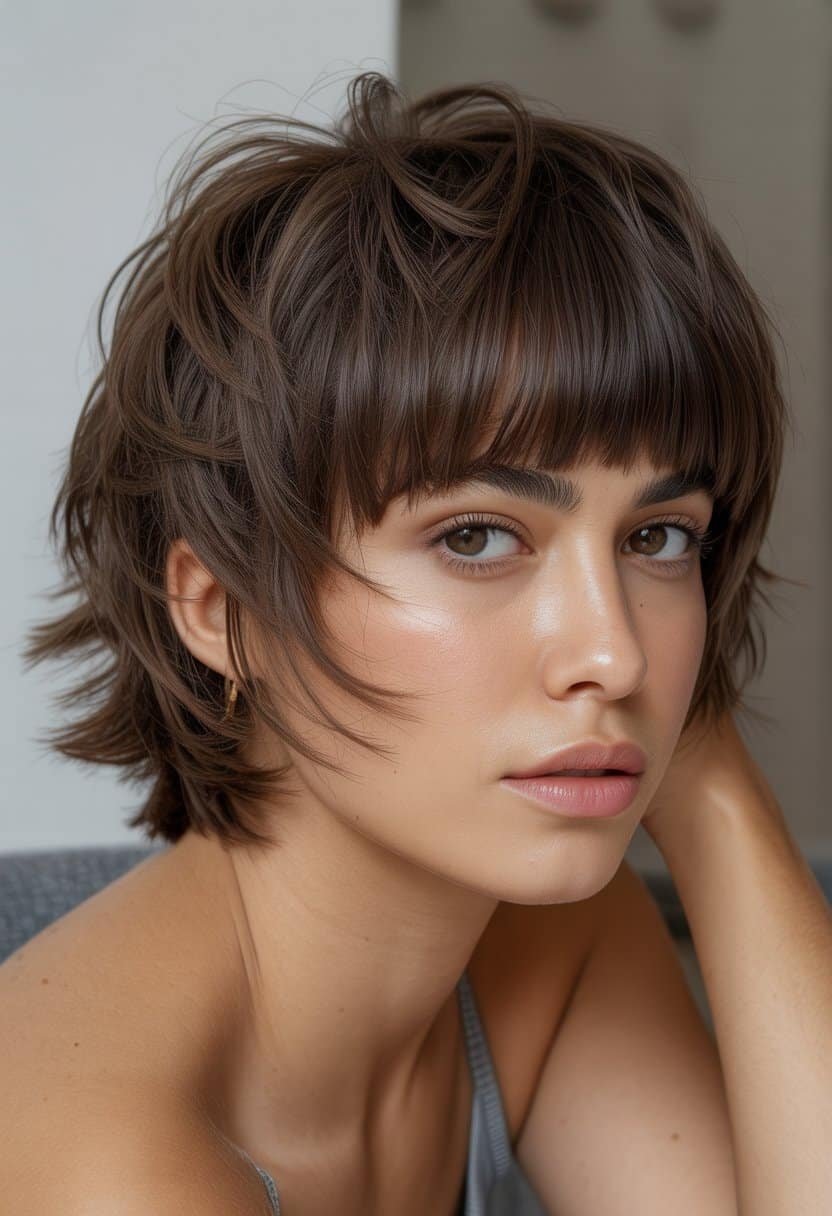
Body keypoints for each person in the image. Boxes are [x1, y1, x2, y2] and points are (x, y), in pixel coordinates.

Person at [3, 71, 829, 1215]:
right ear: (217, 608)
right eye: (479, 536)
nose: (616, 654)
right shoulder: (101, 1163)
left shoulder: (545, 943)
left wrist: (720, 800)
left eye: (656, 535)